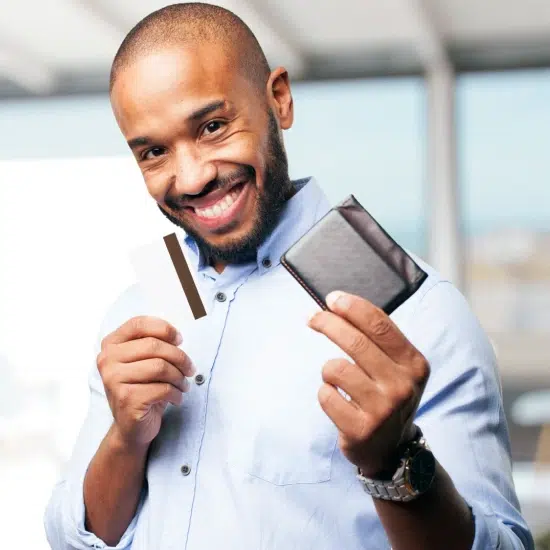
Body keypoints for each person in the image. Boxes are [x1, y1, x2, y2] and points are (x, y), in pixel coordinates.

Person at [44, 3, 534, 549]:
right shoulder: (144, 303)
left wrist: (394, 462)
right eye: (154, 152)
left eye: (212, 127)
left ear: (279, 99)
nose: (192, 177)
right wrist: (125, 439)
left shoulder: (415, 311)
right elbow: (72, 538)